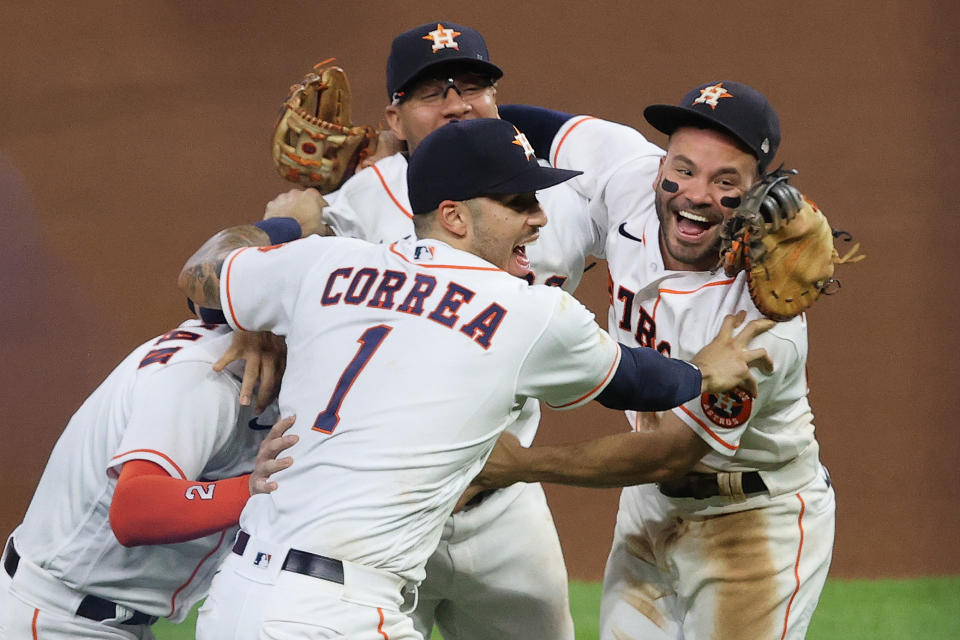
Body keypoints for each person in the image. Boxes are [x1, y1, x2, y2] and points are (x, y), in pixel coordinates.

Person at [178, 117, 775, 640]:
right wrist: (702, 372)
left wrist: (287, 225)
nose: (540, 218)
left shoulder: (326, 262)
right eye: (519, 202)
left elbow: (202, 275)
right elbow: (643, 382)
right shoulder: (526, 311)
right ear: (455, 216)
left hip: (237, 599)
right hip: (340, 614)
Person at [260, 20, 606, 640]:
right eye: (431, 93)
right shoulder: (354, 208)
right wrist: (252, 326)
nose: (456, 104)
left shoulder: (558, 195)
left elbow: (657, 224)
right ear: (393, 121)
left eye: (473, 86)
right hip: (379, 519)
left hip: (504, 509)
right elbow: (279, 280)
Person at [471, 83, 837, 639]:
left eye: (725, 181)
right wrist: (404, 146)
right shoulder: (629, 177)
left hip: (755, 526)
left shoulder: (762, 317)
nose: (695, 194)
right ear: (661, 164)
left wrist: (519, 464)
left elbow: (670, 454)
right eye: (683, 170)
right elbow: (526, 123)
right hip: (650, 509)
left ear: (758, 191)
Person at [0, 319, 296, 639]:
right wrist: (250, 488)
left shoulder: (252, 368)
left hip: (97, 619)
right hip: (59, 619)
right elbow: (135, 511)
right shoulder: (206, 378)